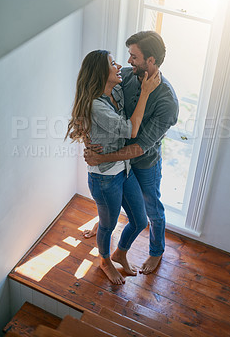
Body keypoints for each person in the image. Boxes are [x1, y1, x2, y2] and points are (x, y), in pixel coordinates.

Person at [84, 31, 179, 274]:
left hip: (143, 162)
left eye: (134, 56)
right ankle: (105, 225)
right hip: (117, 165)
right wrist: (88, 140)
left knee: (152, 210)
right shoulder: (125, 76)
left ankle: (156, 252)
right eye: (128, 55)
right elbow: (91, 104)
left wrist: (100, 158)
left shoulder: (167, 101)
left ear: (151, 61)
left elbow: (138, 146)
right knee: (111, 202)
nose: (128, 62)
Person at [65, 49, 160, 284]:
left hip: (124, 169)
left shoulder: (115, 89)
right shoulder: (97, 106)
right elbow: (131, 130)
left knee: (139, 220)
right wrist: (146, 93)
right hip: (104, 177)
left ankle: (120, 253)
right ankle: (105, 260)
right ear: (100, 72)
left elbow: (130, 71)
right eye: (113, 63)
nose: (119, 66)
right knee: (108, 225)